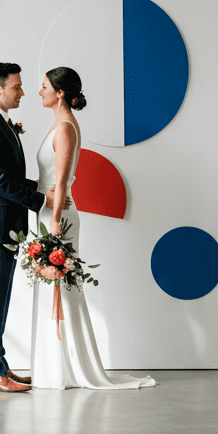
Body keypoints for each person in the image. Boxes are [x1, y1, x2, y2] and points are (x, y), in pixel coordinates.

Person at [30, 66, 157, 391]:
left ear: (59, 92)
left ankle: (66, 367)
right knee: (52, 287)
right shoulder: (60, 125)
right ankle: (54, 365)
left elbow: (59, 182)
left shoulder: (65, 129)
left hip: (58, 216)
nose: (39, 91)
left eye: (44, 86)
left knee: (61, 287)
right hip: (49, 211)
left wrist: (55, 219)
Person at [0, 62, 67, 394]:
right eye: (17, 87)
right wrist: (41, 201)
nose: (23, 92)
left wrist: (39, 188)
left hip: (4, 227)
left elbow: (6, 177)